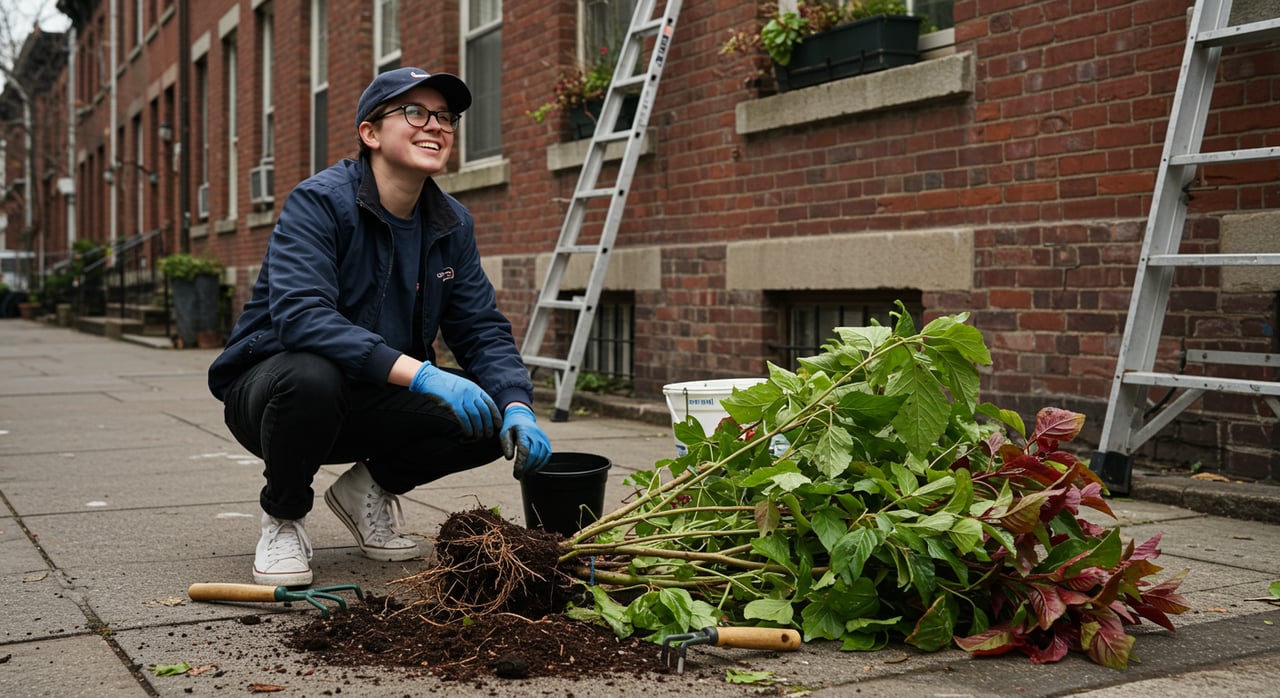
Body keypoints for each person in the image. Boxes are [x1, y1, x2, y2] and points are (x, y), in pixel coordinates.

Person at [207, 67, 552, 588]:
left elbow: (480, 327)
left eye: (445, 117)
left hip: (373, 396)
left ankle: (367, 489)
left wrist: (517, 403)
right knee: (312, 374)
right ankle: (283, 519)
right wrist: (425, 376)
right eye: (415, 112)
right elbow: (302, 317)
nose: (434, 126)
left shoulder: (451, 222)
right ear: (370, 133)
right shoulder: (320, 202)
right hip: (276, 396)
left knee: (487, 414)